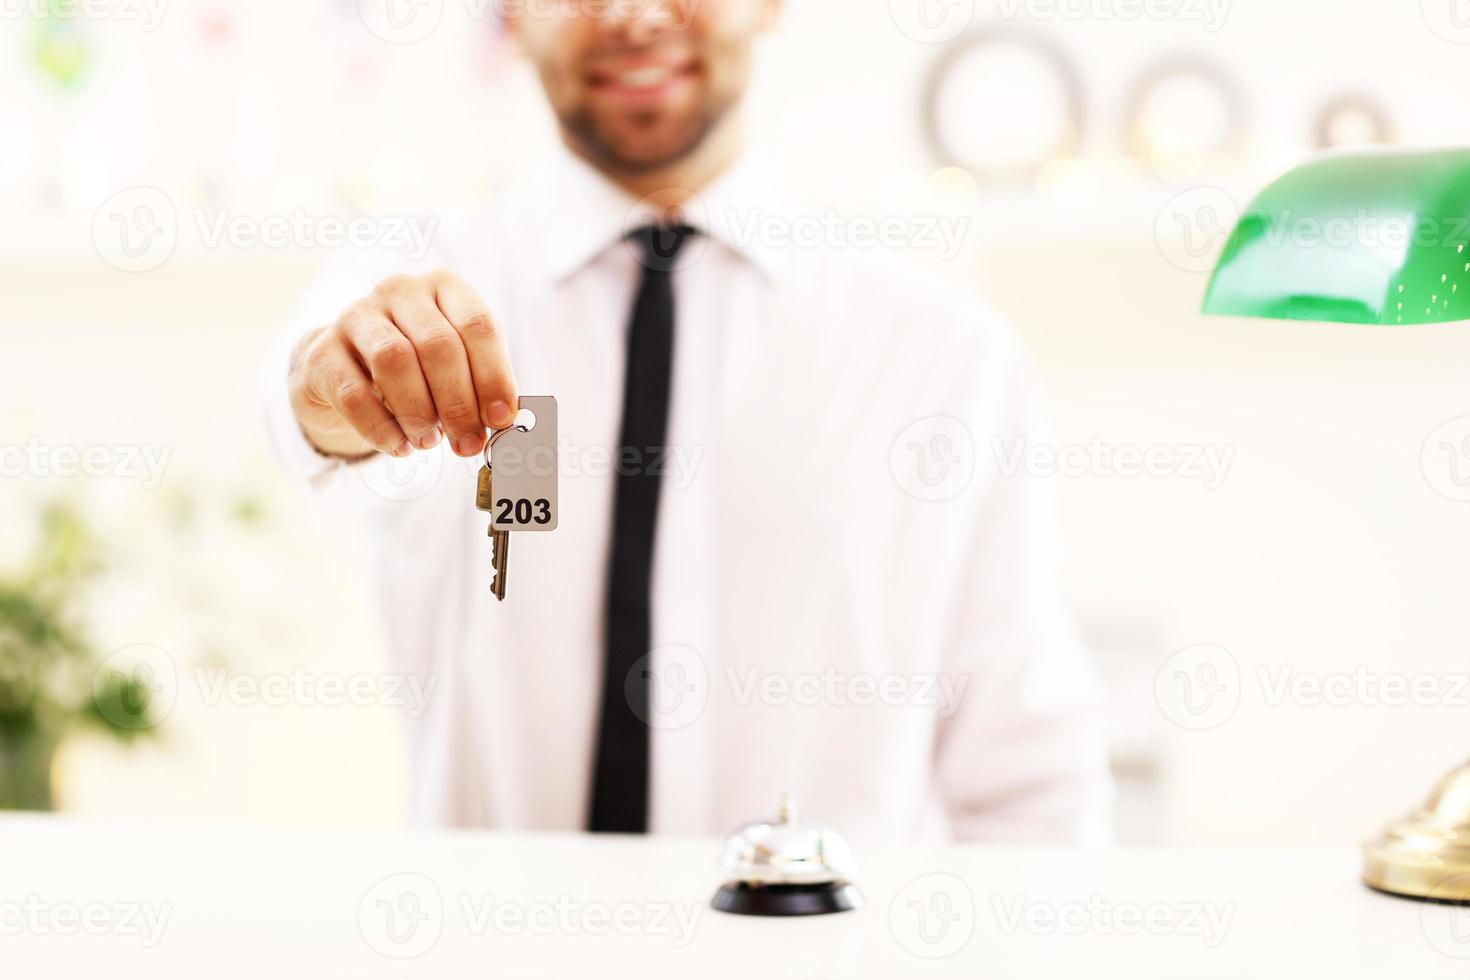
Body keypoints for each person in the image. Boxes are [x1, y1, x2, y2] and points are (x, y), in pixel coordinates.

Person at [265, 0, 1111, 842]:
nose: (632, 16)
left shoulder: (943, 354)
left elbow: (1029, 779)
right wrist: (338, 388)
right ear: (512, 15)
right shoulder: (422, 288)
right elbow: (303, 411)